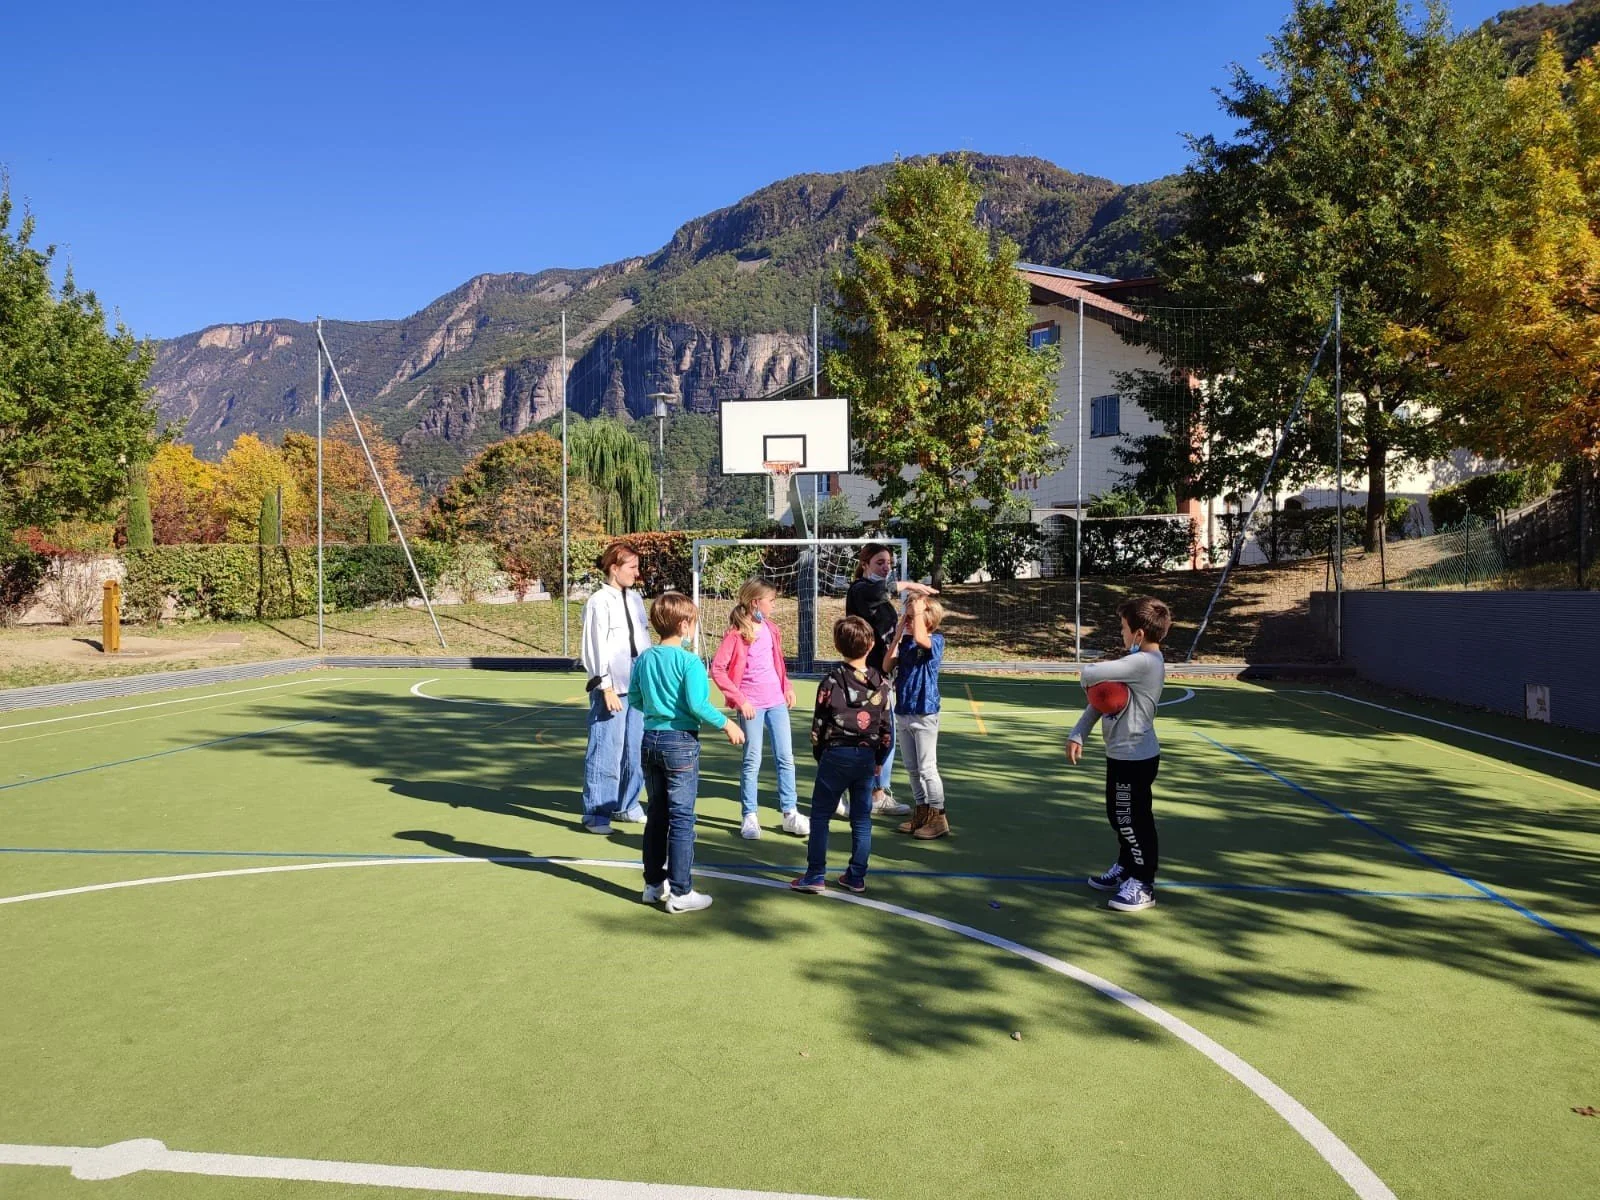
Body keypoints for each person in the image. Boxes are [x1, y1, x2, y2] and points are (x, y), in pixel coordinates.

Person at [631, 591, 745, 914]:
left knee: (657, 814)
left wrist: (657, 710)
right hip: (680, 742)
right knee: (681, 818)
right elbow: (698, 704)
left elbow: (635, 698)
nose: (694, 629)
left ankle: (653, 884)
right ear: (683, 625)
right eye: (693, 623)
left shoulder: (645, 659)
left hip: (650, 739)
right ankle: (681, 890)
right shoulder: (689, 661)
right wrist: (727, 724)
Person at [1065, 595, 1171, 913]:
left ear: (1139, 634)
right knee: (1120, 815)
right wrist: (1079, 732)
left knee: (1132, 819)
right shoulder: (1136, 664)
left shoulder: (1145, 662)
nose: (1121, 633)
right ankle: (1127, 867)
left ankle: (1143, 882)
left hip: (1136, 758)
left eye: (1123, 628)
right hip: (1122, 756)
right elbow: (1102, 701)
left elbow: (1089, 674)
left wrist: (1091, 677)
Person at [790, 616, 893, 896]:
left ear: (837, 646)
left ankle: (815, 874)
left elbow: (818, 725)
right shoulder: (881, 684)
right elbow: (886, 729)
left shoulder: (831, 681)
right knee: (861, 819)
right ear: (871, 645)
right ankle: (856, 876)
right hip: (866, 757)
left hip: (835, 755)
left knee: (821, 816)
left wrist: (820, 753)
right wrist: (879, 760)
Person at [710, 579, 808, 841]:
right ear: (756, 602)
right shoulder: (736, 634)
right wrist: (740, 700)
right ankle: (750, 816)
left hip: (776, 702)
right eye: (771, 600)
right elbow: (717, 669)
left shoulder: (771, 629)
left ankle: (790, 812)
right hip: (751, 706)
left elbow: (778, 663)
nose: (774, 605)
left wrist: (787, 687)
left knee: (785, 757)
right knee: (752, 760)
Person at [844, 543, 937, 816]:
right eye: (879, 563)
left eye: (889, 563)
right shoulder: (860, 589)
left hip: (881, 673)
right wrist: (909, 585)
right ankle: (873, 794)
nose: (886, 567)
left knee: (880, 736)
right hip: (867, 674)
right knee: (877, 736)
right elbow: (878, 592)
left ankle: (869, 793)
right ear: (865, 564)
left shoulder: (876, 594)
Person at [578, 542, 651, 834]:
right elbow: (594, 645)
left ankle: (627, 805)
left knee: (637, 748)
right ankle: (597, 814)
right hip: (612, 686)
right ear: (614, 568)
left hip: (639, 684)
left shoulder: (635, 599)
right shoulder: (598, 601)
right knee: (606, 748)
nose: (637, 573)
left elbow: (643, 639)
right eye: (632, 567)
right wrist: (605, 686)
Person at [884, 594, 949, 839]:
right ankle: (921, 811)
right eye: (908, 617)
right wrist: (897, 635)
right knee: (912, 768)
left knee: (927, 768)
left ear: (927, 618)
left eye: (912, 617)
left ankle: (938, 816)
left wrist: (919, 611)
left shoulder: (936, 640)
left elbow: (923, 639)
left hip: (924, 712)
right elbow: (887, 665)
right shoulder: (906, 642)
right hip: (904, 711)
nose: (909, 620)